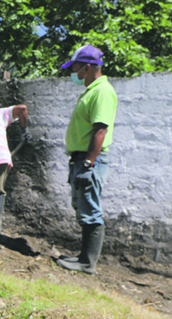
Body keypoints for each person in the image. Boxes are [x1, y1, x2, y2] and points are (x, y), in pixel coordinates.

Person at [56, 45, 118, 274]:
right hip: (81, 158)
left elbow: (100, 130)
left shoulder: (102, 91)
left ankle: (87, 263)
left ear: (87, 67)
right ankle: (83, 257)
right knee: (83, 207)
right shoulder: (92, 90)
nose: (73, 72)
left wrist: (88, 163)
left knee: (90, 208)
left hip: (89, 159)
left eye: (75, 68)